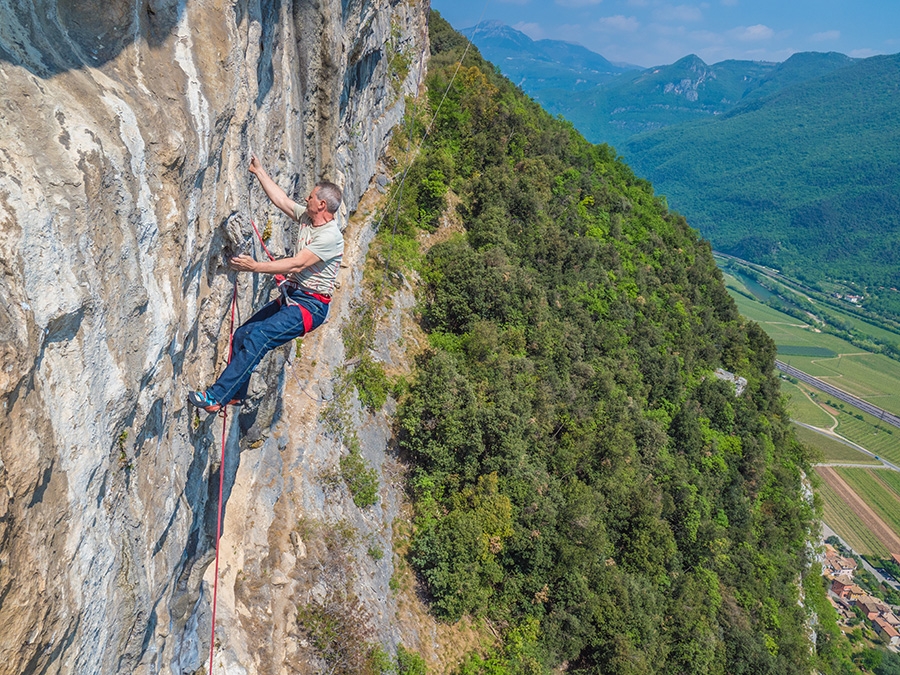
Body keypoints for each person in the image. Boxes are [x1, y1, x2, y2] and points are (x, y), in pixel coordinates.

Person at [188, 156, 344, 413]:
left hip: (310, 306)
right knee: (242, 334)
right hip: (294, 296)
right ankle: (236, 393)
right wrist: (259, 171)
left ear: (322, 204)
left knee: (259, 337)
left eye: (311, 197)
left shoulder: (330, 237)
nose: (307, 199)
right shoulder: (308, 217)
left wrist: (254, 267)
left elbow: (296, 265)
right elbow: (282, 200)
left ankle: (216, 397)